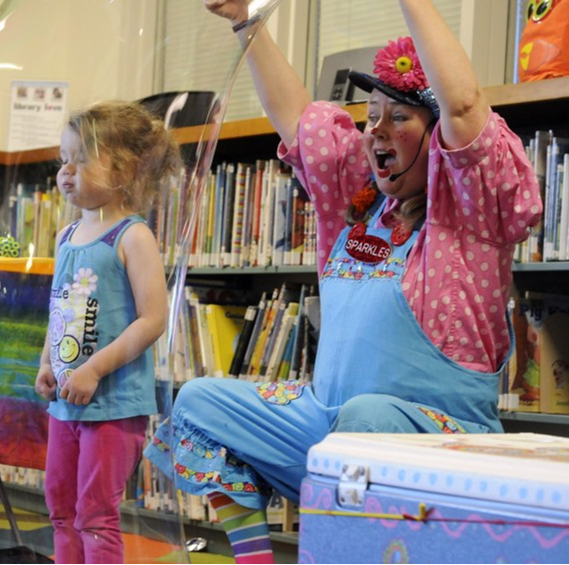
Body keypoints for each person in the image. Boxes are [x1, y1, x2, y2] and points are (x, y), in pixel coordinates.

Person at [144, 1, 543, 563]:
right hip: (329, 423)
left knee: (365, 418)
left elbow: (463, 104)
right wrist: (244, 19)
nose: (376, 129)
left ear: (438, 137)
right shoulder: (358, 207)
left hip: (442, 441)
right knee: (200, 402)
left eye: (399, 117)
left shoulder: (471, 216)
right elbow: (296, 118)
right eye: (371, 115)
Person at [34, 100, 179, 564]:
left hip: (112, 407)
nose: (66, 171)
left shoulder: (133, 236)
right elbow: (59, 310)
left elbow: (152, 319)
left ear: (124, 168)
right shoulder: (65, 237)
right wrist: (46, 363)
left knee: (96, 517)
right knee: (61, 510)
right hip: (65, 405)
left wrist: (93, 370)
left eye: (81, 159)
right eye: (64, 159)